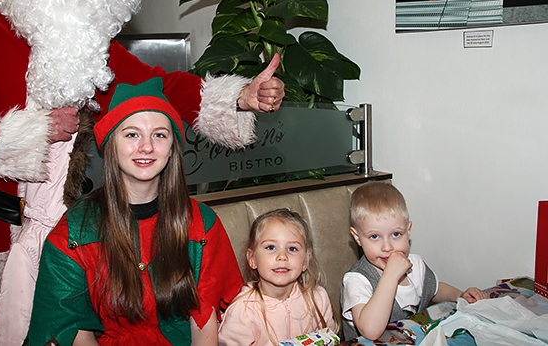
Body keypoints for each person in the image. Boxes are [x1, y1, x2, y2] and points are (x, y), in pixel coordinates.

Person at [0, 0, 284, 345]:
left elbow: (160, 87)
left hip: (61, 240)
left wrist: (239, 96)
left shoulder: (97, 50)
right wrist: (26, 135)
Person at [25, 78, 243, 345]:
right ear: (110, 145)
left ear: (172, 148)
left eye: (160, 135)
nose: (147, 147)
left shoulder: (201, 224)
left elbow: (204, 321)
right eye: (131, 134)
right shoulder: (75, 232)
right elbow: (72, 330)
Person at [340, 182, 487, 341]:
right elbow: (370, 330)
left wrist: (460, 295)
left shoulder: (415, 264)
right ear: (357, 238)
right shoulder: (356, 280)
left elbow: (435, 289)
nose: (387, 247)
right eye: (374, 237)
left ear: (408, 231)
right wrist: (390, 276)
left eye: (396, 234)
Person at [218, 208, 337, 346]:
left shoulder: (318, 298)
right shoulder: (244, 311)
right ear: (252, 259)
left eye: (292, 249)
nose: (282, 256)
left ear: (305, 261)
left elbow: (330, 339)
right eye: (270, 247)